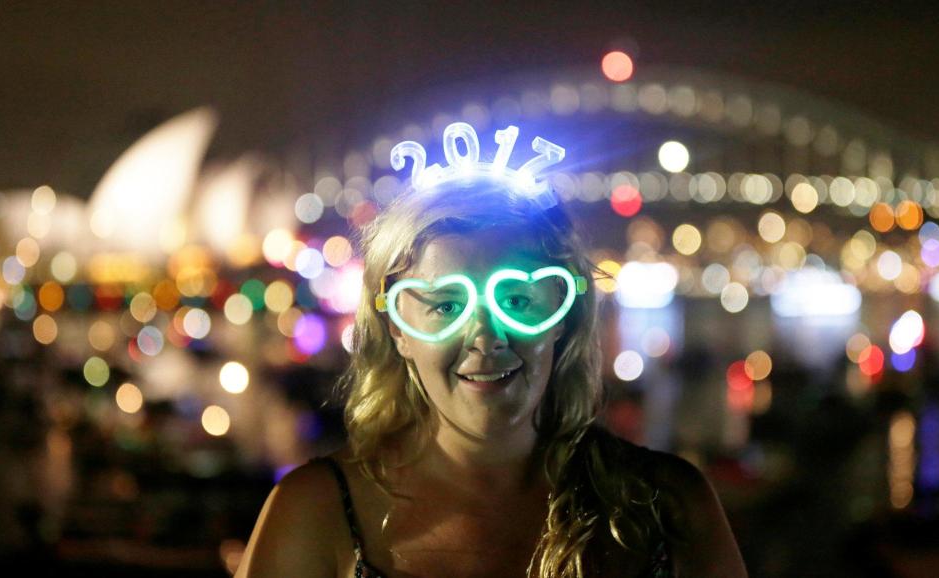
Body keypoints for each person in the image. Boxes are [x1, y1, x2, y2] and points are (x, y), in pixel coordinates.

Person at [236, 122, 748, 578]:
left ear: (565, 316)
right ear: (397, 329)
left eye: (519, 300)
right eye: (443, 306)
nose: (486, 336)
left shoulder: (671, 508)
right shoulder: (312, 515)